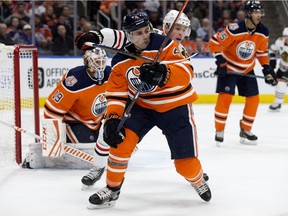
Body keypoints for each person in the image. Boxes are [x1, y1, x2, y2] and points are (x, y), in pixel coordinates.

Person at [87, 11, 211, 209]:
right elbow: (117, 95)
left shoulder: (165, 44)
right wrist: (112, 118)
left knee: (185, 164)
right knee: (120, 143)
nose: (145, 36)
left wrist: (164, 74)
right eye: (138, 33)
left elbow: (187, 73)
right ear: (128, 35)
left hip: (174, 106)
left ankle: (197, 180)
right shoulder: (119, 61)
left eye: (146, 31)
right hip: (142, 107)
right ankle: (112, 189)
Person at [22, 47, 111, 169]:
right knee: (89, 144)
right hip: (73, 122)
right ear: (88, 62)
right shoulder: (75, 79)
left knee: (110, 142)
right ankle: (50, 152)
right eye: (97, 61)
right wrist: (54, 137)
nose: (100, 65)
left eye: (102, 61)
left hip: (95, 123)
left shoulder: (110, 74)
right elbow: (51, 108)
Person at [209, 1, 277, 146]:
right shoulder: (234, 29)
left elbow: (261, 52)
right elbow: (214, 42)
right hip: (229, 69)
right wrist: (220, 61)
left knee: (254, 99)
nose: (259, 15)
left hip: (247, 69)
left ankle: (246, 129)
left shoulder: (263, 31)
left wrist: (266, 69)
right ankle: (219, 130)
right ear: (248, 13)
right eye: (256, 12)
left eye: (260, 12)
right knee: (225, 98)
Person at [268, 27, 288, 111]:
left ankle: (277, 103)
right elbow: (272, 50)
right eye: (285, 36)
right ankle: (277, 103)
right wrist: (272, 63)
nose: (286, 38)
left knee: (281, 85)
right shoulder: (279, 42)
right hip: (282, 69)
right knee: (278, 84)